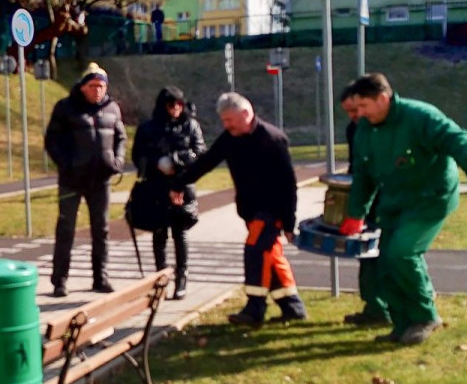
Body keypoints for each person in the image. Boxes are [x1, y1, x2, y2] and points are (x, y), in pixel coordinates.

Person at [339, 72, 467, 345]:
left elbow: (458, 139)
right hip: (395, 201)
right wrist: (356, 214)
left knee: (402, 252)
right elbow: (363, 175)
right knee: (384, 262)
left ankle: (425, 316)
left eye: (364, 106)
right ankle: (402, 323)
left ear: (383, 98)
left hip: (431, 198)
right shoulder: (365, 130)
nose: (361, 114)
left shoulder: (419, 116)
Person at [175, 92, 308, 326]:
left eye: (229, 120)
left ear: (246, 114)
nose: (226, 125)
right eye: (224, 121)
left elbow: (289, 185)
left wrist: (289, 222)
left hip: (271, 212)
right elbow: (208, 161)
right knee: (271, 257)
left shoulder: (272, 139)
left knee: (255, 253)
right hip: (250, 211)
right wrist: (180, 183)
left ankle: (254, 309)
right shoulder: (230, 138)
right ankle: (293, 307)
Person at [44, 62, 127, 297]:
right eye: (93, 85)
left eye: (101, 86)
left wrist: (118, 161)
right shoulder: (65, 107)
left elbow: (121, 138)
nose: (97, 90)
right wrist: (66, 164)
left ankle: (101, 278)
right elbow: (52, 140)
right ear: (82, 86)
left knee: (101, 230)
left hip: (101, 179)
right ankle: (59, 281)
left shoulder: (112, 109)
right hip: (72, 179)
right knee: (66, 229)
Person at [131, 86, 206, 300]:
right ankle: (161, 278)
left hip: (182, 185)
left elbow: (200, 151)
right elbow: (138, 155)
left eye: (180, 104)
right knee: (159, 233)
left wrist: (176, 161)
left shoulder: (190, 125)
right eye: (172, 104)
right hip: (156, 186)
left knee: (180, 232)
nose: (176, 108)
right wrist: (157, 162)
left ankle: (182, 277)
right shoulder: (148, 128)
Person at [341, 90, 390, 327]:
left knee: (388, 256)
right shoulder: (354, 130)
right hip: (367, 203)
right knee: (368, 256)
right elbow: (357, 169)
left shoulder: (384, 129)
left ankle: (386, 308)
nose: (353, 115)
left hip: (388, 200)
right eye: (348, 112)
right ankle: (374, 307)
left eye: (356, 110)